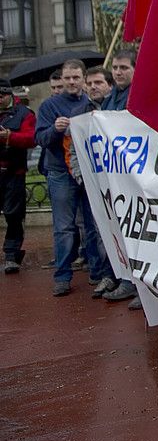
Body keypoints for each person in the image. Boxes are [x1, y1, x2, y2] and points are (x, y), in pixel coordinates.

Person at [35, 59, 116, 298]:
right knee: (64, 227)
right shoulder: (50, 106)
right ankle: (62, 276)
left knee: (94, 225)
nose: (71, 82)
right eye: (67, 78)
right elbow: (39, 139)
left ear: (82, 79)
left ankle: (96, 270)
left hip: (90, 173)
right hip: (61, 172)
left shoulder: (89, 103)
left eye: (76, 78)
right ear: (61, 79)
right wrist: (54, 130)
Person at [98, 47, 140, 306]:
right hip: (116, 175)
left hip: (134, 175)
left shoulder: (139, 96)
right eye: (115, 68)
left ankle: (140, 286)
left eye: (124, 67)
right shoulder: (110, 97)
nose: (118, 72)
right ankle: (127, 280)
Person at [0, 78, 35, 274]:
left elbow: (32, 138)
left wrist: (9, 137)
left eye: (2, 96)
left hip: (14, 172)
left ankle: (12, 254)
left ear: (10, 95)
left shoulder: (24, 113)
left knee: (13, 215)